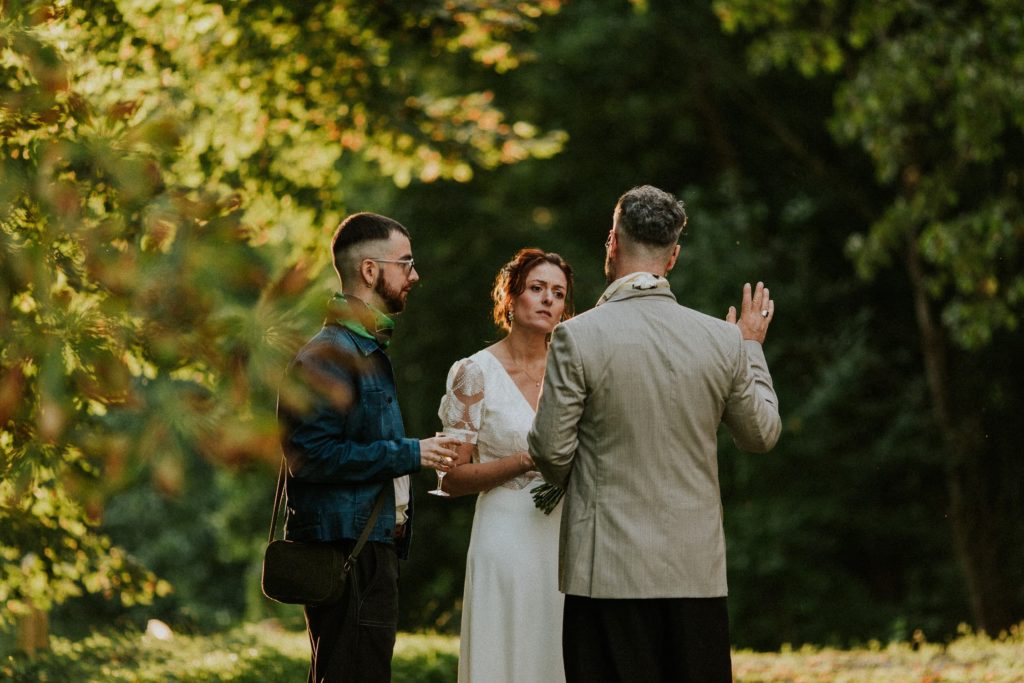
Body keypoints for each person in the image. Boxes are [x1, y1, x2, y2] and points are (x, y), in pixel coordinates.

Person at [528, 185, 782, 683]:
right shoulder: (723, 339)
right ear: (674, 256)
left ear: (612, 243)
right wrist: (751, 347)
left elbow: (552, 453)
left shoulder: (576, 336)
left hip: (607, 578)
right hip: (696, 577)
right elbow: (762, 434)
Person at [277, 212, 459, 683]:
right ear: (371, 271)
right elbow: (311, 458)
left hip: (369, 549)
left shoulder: (366, 351)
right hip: (348, 553)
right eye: (406, 263)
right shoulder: (330, 355)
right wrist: (411, 453)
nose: (415, 275)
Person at [437, 248, 576, 683]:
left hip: (565, 536)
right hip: (505, 535)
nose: (548, 300)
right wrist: (525, 459)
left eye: (558, 293)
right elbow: (451, 477)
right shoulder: (475, 373)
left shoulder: (574, 370)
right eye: (537, 289)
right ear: (510, 297)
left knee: (558, 655)